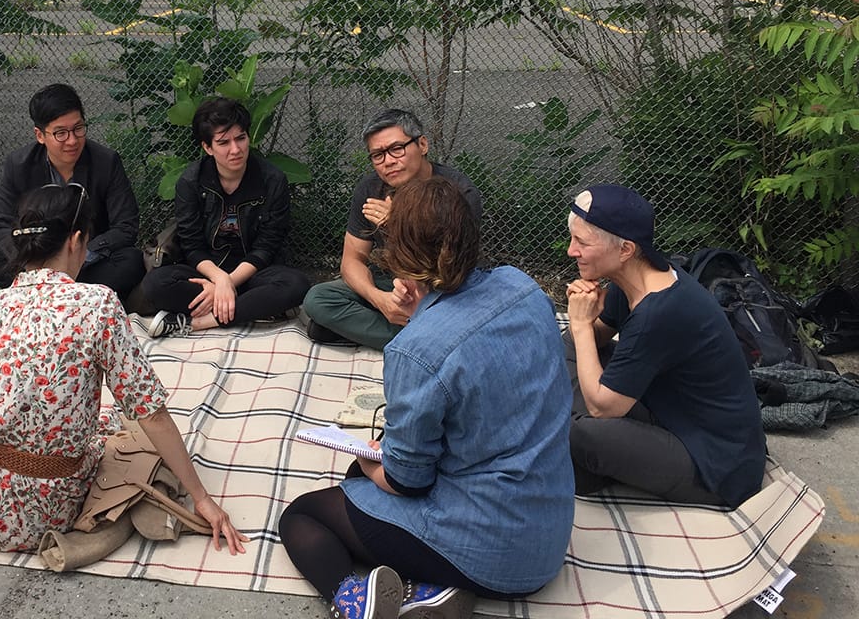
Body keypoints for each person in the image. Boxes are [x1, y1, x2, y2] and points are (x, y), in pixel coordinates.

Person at [280, 176, 573, 619]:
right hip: (548, 526)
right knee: (359, 486)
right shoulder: (525, 288)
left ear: (400, 255)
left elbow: (407, 482)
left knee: (304, 514)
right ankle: (433, 590)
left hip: (493, 550)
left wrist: (367, 457)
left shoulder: (416, 350)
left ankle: (355, 602)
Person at [0, 183, 247, 553]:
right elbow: (150, 413)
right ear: (77, 240)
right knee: (123, 432)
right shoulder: (97, 304)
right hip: (40, 512)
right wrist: (202, 498)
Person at [564, 183, 766, 507]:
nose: (571, 251)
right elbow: (595, 338)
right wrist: (585, 322)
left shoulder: (658, 312)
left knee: (584, 434)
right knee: (567, 345)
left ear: (625, 249)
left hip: (715, 464)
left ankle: (578, 452)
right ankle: (585, 453)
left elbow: (604, 408)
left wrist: (579, 323)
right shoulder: (637, 277)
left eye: (582, 243)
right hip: (666, 409)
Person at [301, 108, 482, 350]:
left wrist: (398, 224)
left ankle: (408, 337)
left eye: (397, 149)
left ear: (423, 145)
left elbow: (447, 268)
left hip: (443, 284)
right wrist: (380, 300)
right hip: (392, 283)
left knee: (465, 311)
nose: (388, 161)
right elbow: (352, 260)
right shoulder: (370, 190)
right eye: (378, 155)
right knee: (319, 299)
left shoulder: (458, 191)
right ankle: (427, 338)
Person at [139, 97, 309, 338]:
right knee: (155, 284)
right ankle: (248, 307)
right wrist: (220, 281)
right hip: (207, 273)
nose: (236, 149)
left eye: (241, 138)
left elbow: (267, 246)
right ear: (207, 147)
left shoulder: (272, 180)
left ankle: (197, 323)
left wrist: (230, 282)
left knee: (296, 285)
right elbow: (192, 244)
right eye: (223, 142)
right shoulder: (190, 182)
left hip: (253, 273)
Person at [0, 83, 142, 305]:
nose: (72, 140)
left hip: (85, 260)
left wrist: (80, 255)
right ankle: (76, 297)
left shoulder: (106, 162)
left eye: (78, 128)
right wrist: (33, 259)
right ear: (40, 135)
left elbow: (126, 226)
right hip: (35, 260)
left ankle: (41, 297)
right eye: (60, 133)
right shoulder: (19, 164)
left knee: (132, 261)